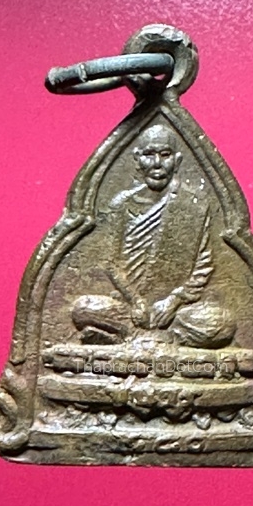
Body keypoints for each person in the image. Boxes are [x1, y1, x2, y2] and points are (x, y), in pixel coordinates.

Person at [71, 124, 235, 348]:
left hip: (175, 312)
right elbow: (110, 263)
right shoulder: (121, 204)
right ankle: (158, 339)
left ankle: (132, 338)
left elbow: (203, 265)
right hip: (129, 308)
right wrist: (135, 300)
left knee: (223, 323)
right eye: (149, 154)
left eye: (165, 155)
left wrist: (174, 301)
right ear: (137, 159)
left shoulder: (193, 205)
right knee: (83, 309)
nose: (157, 163)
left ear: (177, 160)